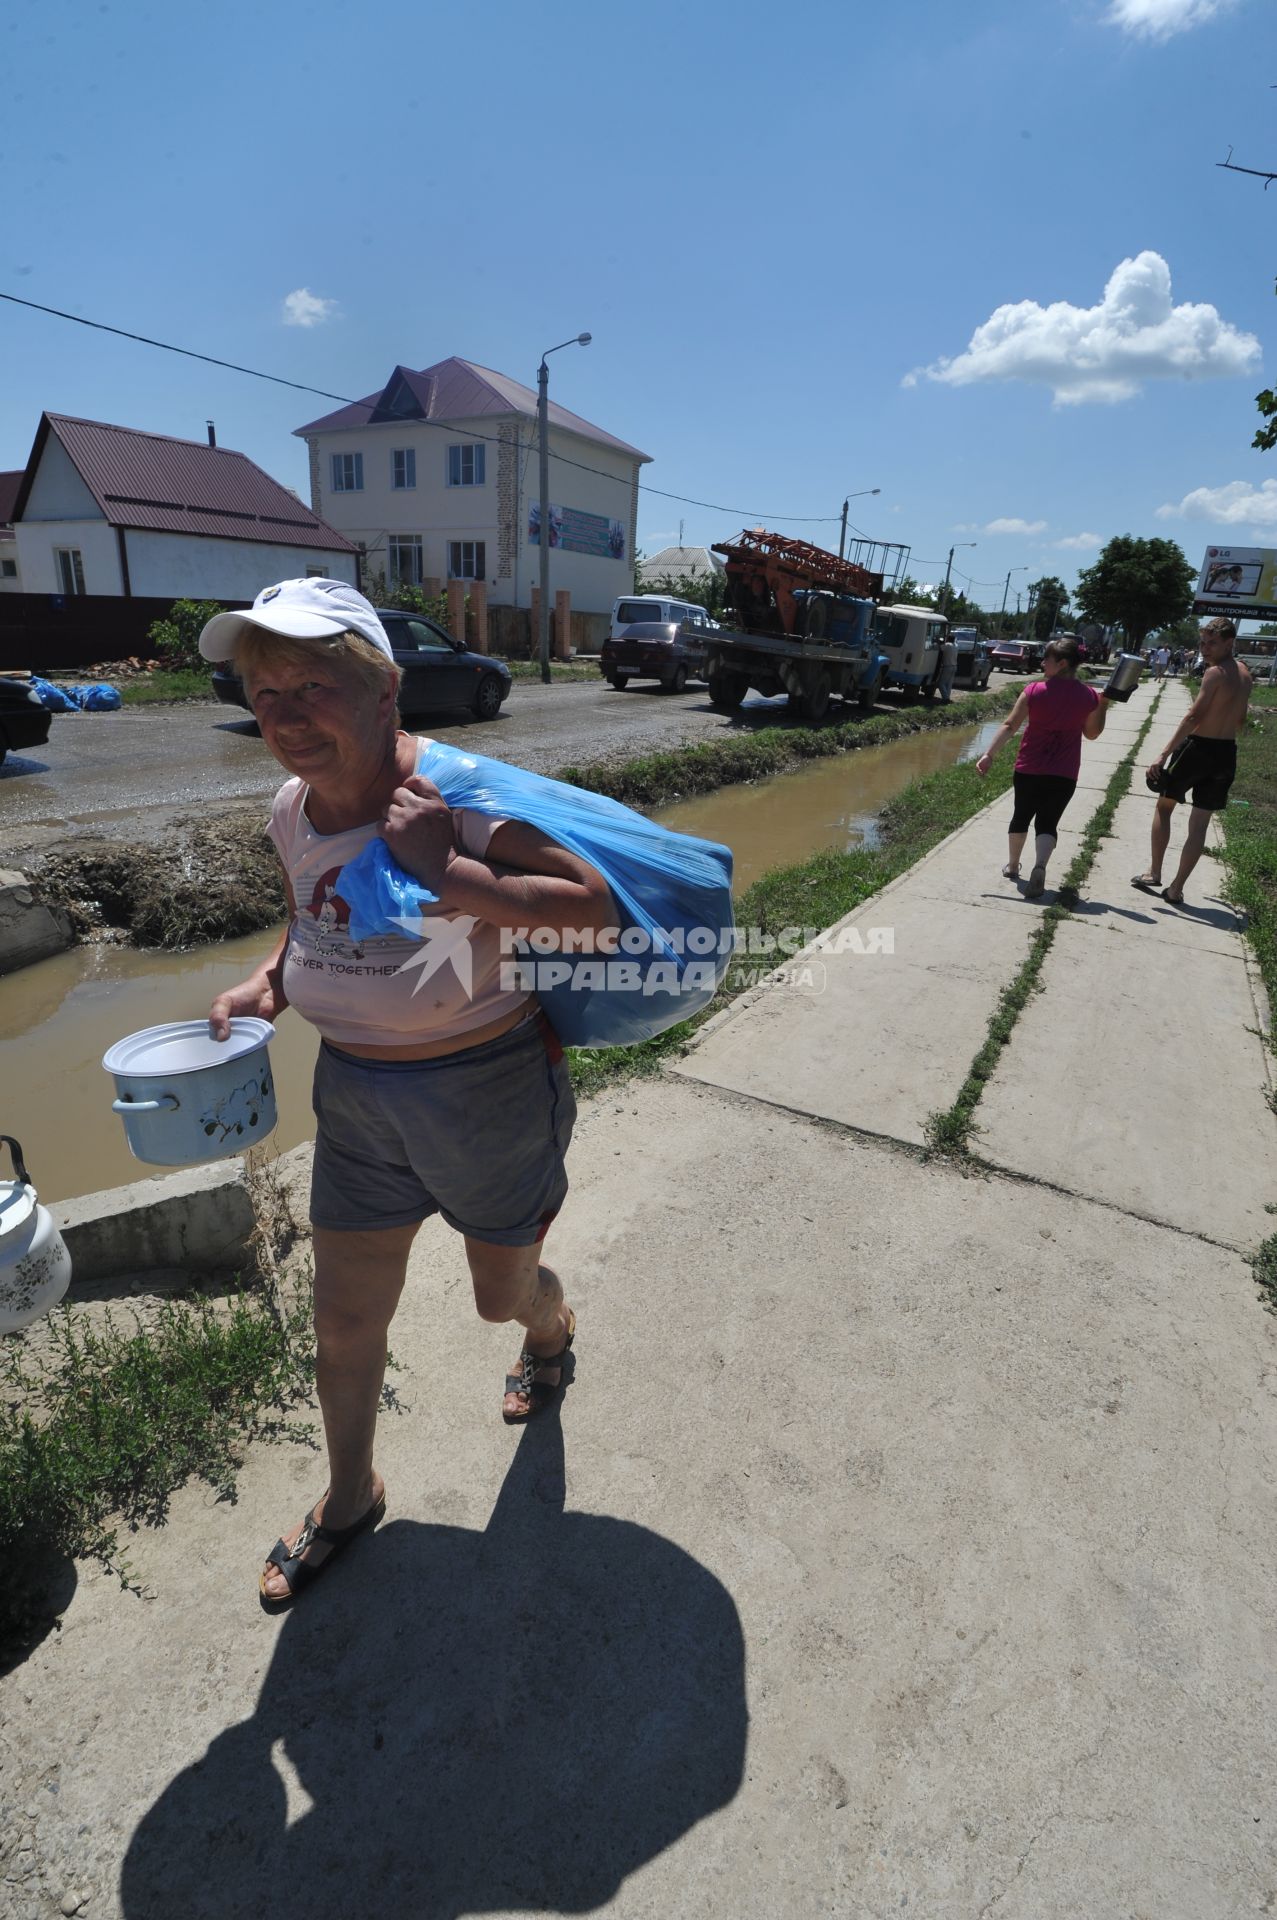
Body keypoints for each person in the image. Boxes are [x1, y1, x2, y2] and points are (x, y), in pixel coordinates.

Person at [199, 579, 615, 1609]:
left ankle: (549, 1332)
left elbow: (590, 914)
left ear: (385, 689)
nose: (285, 714)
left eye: (311, 685)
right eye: (264, 690)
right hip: (357, 1102)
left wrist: (447, 868)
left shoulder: (458, 799)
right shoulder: (290, 808)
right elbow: (314, 917)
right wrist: (271, 984)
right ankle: (350, 1496)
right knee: (342, 1322)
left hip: (485, 1093)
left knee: (496, 1300)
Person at [976, 635, 1109, 897]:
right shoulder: (1089, 696)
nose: (1042, 663)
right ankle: (1039, 866)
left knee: (1021, 815)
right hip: (1064, 772)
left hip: (1029, 767)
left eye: (1046, 659)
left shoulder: (1034, 690)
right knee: (1048, 822)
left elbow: (1010, 725)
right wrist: (1102, 705)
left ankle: (1013, 866)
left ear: (1060, 663)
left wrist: (989, 754)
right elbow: (1092, 734)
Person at [1133, 617, 1252, 907]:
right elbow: (1240, 719)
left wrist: (1163, 753)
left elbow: (1193, 717)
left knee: (1164, 805)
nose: (1205, 648)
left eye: (1213, 643)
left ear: (1229, 642)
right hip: (1226, 754)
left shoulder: (1215, 673)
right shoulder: (1245, 674)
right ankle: (1176, 889)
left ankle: (1155, 872)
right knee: (1200, 824)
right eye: (1203, 642)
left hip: (1197, 750)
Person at [937, 633, 959, 705]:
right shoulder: (956, 646)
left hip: (948, 666)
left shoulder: (947, 645)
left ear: (948, 639)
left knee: (941, 683)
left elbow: (939, 648)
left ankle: (946, 698)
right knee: (949, 684)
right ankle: (947, 698)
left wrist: (938, 641)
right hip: (954, 666)